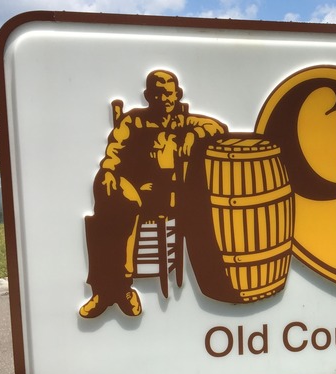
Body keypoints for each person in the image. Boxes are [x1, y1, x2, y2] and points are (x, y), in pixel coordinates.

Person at [80, 70, 228, 318]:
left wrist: (194, 135)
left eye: (169, 94)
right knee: (105, 209)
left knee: (114, 211)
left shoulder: (186, 123)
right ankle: (109, 291)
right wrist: (107, 172)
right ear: (148, 96)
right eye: (158, 94)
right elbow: (113, 154)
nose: (165, 100)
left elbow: (219, 128)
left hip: (165, 197)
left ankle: (115, 290)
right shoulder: (134, 121)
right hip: (131, 192)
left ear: (178, 95)